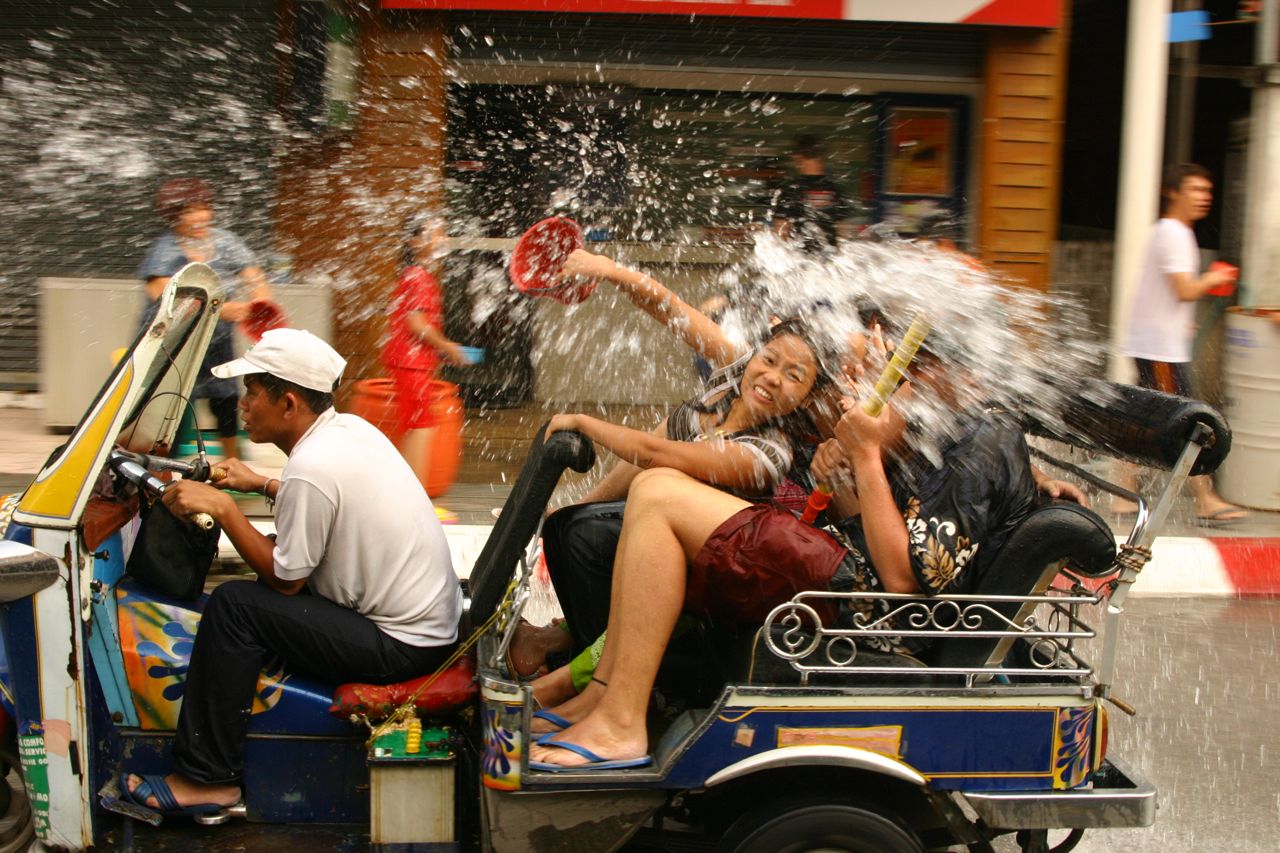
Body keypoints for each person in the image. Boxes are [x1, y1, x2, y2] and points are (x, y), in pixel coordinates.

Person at [527, 337, 1039, 770]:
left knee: (661, 492)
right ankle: (604, 694)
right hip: (845, 570)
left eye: (919, 370)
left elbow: (904, 580)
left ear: (966, 371)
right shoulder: (958, 427)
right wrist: (848, 464)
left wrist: (863, 454)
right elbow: (883, 504)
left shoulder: (987, 440)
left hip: (868, 604)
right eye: (909, 370)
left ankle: (620, 723)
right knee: (655, 488)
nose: (906, 383)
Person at [121, 328, 462, 816]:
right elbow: (325, 502)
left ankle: (206, 780)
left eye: (252, 394)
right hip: (428, 627)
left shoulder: (312, 467)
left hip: (402, 646)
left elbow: (286, 580)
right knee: (253, 583)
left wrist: (224, 508)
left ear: (287, 404)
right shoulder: (347, 431)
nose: (242, 406)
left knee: (234, 606)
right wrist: (259, 483)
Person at [1117, 163, 1246, 525]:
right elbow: (1183, 288)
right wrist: (1214, 278)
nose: (1203, 197)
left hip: (1157, 344)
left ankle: (1121, 494)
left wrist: (1182, 319)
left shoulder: (1172, 232)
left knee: (1144, 419)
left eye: (1207, 191)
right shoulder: (1173, 233)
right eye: (1195, 189)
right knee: (1192, 423)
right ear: (1173, 192)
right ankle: (1205, 499)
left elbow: (1167, 293)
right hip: (1161, 351)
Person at [138, 178, 273, 461]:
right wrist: (221, 309)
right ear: (174, 217)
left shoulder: (225, 241)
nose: (199, 217)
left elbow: (253, 275)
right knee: (170, 403)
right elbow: (163, 294)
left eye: (203, 209)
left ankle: (232, 464)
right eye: (189, 211)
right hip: (174, 342)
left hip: (216, 341)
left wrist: (260, 305)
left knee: (225, 401)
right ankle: (162, 467)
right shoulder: (165, 249)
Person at [382, 216, 469, 523]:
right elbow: (416, 324)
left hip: (411, 362)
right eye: (436, 234)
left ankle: (401, 498)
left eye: (444, 233)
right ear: (415, 242)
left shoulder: (413, 274)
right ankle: (416, 507)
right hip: (411, 364)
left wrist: (439, 350)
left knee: (416, 428)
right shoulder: (417, 276)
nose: (442, 239)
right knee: (422, 429)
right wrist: (446, 346)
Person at [770, 134, 855, 252]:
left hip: (800, 257)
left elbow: (781, 232)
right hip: (828, 259)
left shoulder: (790, 189)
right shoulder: (835, 190)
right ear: (821, 157)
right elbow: (843, 233)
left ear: (797, 157)